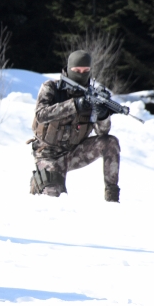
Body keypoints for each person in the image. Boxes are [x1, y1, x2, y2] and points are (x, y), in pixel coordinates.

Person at [28, 50, 121, 202]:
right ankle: (39, 182)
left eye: (85, 71)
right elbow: (41, 115)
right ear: (68, 69)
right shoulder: (51, 88)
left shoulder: (93, 95)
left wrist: (102, 115)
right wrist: (75, 104)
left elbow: (102, 132)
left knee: (111, 142)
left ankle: (112, 198)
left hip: (75, 152)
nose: (81, 74)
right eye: (76, 71)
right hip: (48, 153)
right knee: (54, 197)